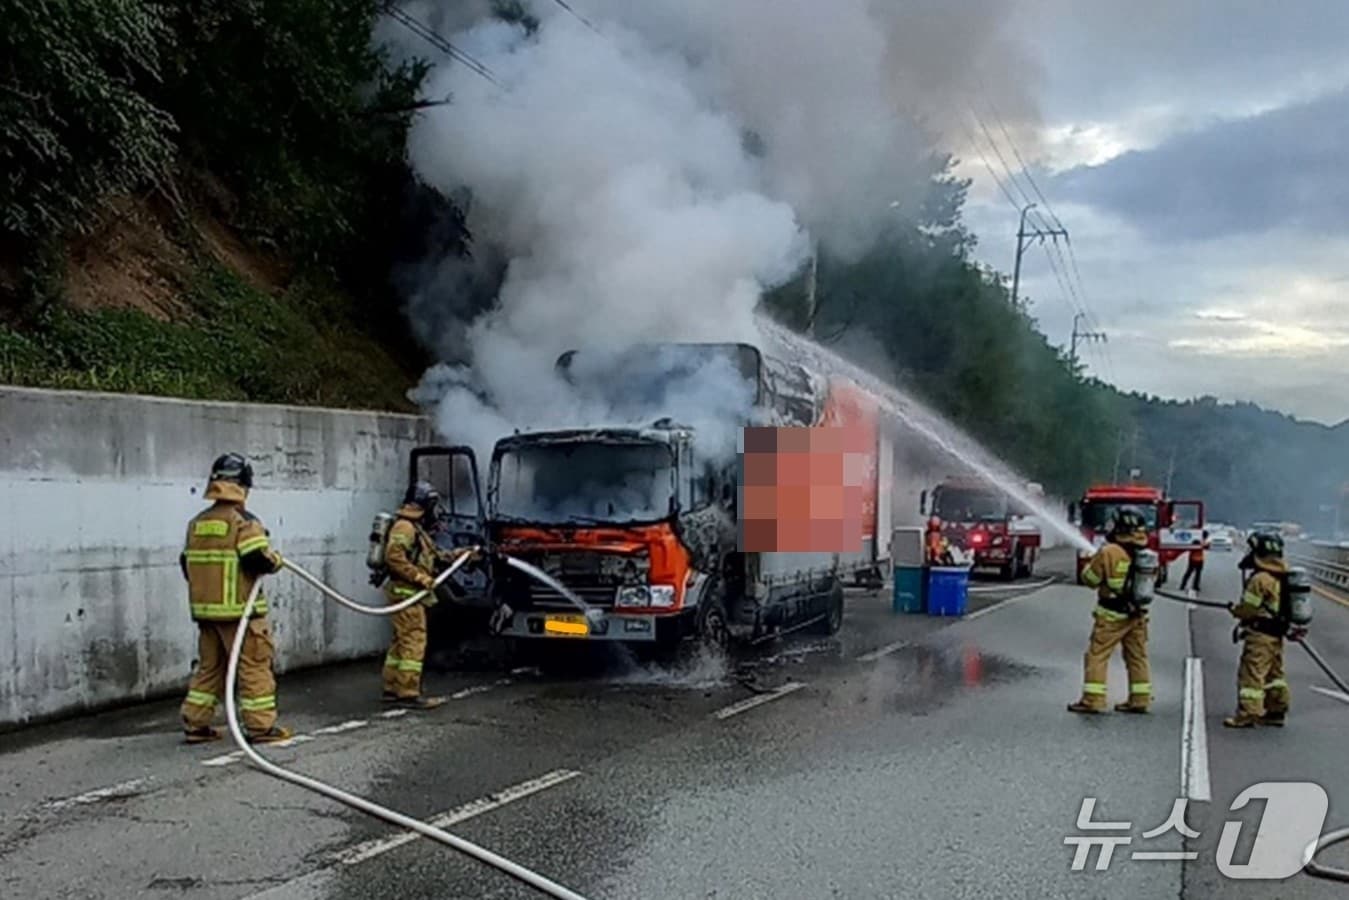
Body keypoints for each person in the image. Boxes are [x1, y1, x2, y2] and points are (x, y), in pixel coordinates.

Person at [179, 453, 292, 744]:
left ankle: (195, 724)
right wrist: (276, 560)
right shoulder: (243, 522)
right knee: (254, 666)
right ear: (244, 485)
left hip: (206, 613)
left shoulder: (197, 524)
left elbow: (185, 564)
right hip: (242, 613)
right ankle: (260, 727)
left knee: (210, 668)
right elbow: (258, 560)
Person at [382, 481, 476, 709]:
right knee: (414, 640)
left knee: (401, 642)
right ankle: (407, 692)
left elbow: (433, 557)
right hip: (407, 593)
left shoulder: (416, 528)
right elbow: (394, 557)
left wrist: (460, 555)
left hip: (409, 593)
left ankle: (392, 687)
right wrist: (420, 578)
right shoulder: (405, 527)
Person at [1068, 507, 1152, 715]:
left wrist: (1090, 562)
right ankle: (1140, 699)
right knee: (1137, 657)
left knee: (1097, 655)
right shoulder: (1145, 553)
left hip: (1111, 615)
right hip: (1137, 614)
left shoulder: (1109, 552)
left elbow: (1090, 580)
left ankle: (1092, 699)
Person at [1224, 532, 1291, 728]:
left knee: (1252, 673)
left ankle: (1248, 713)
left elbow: (1249, 609)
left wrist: (1235, 611)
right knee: (1274, 674)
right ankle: (1276, 710)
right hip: (1276, 634)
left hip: (1260, 635)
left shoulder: (1259, 579)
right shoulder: (1283, 576)